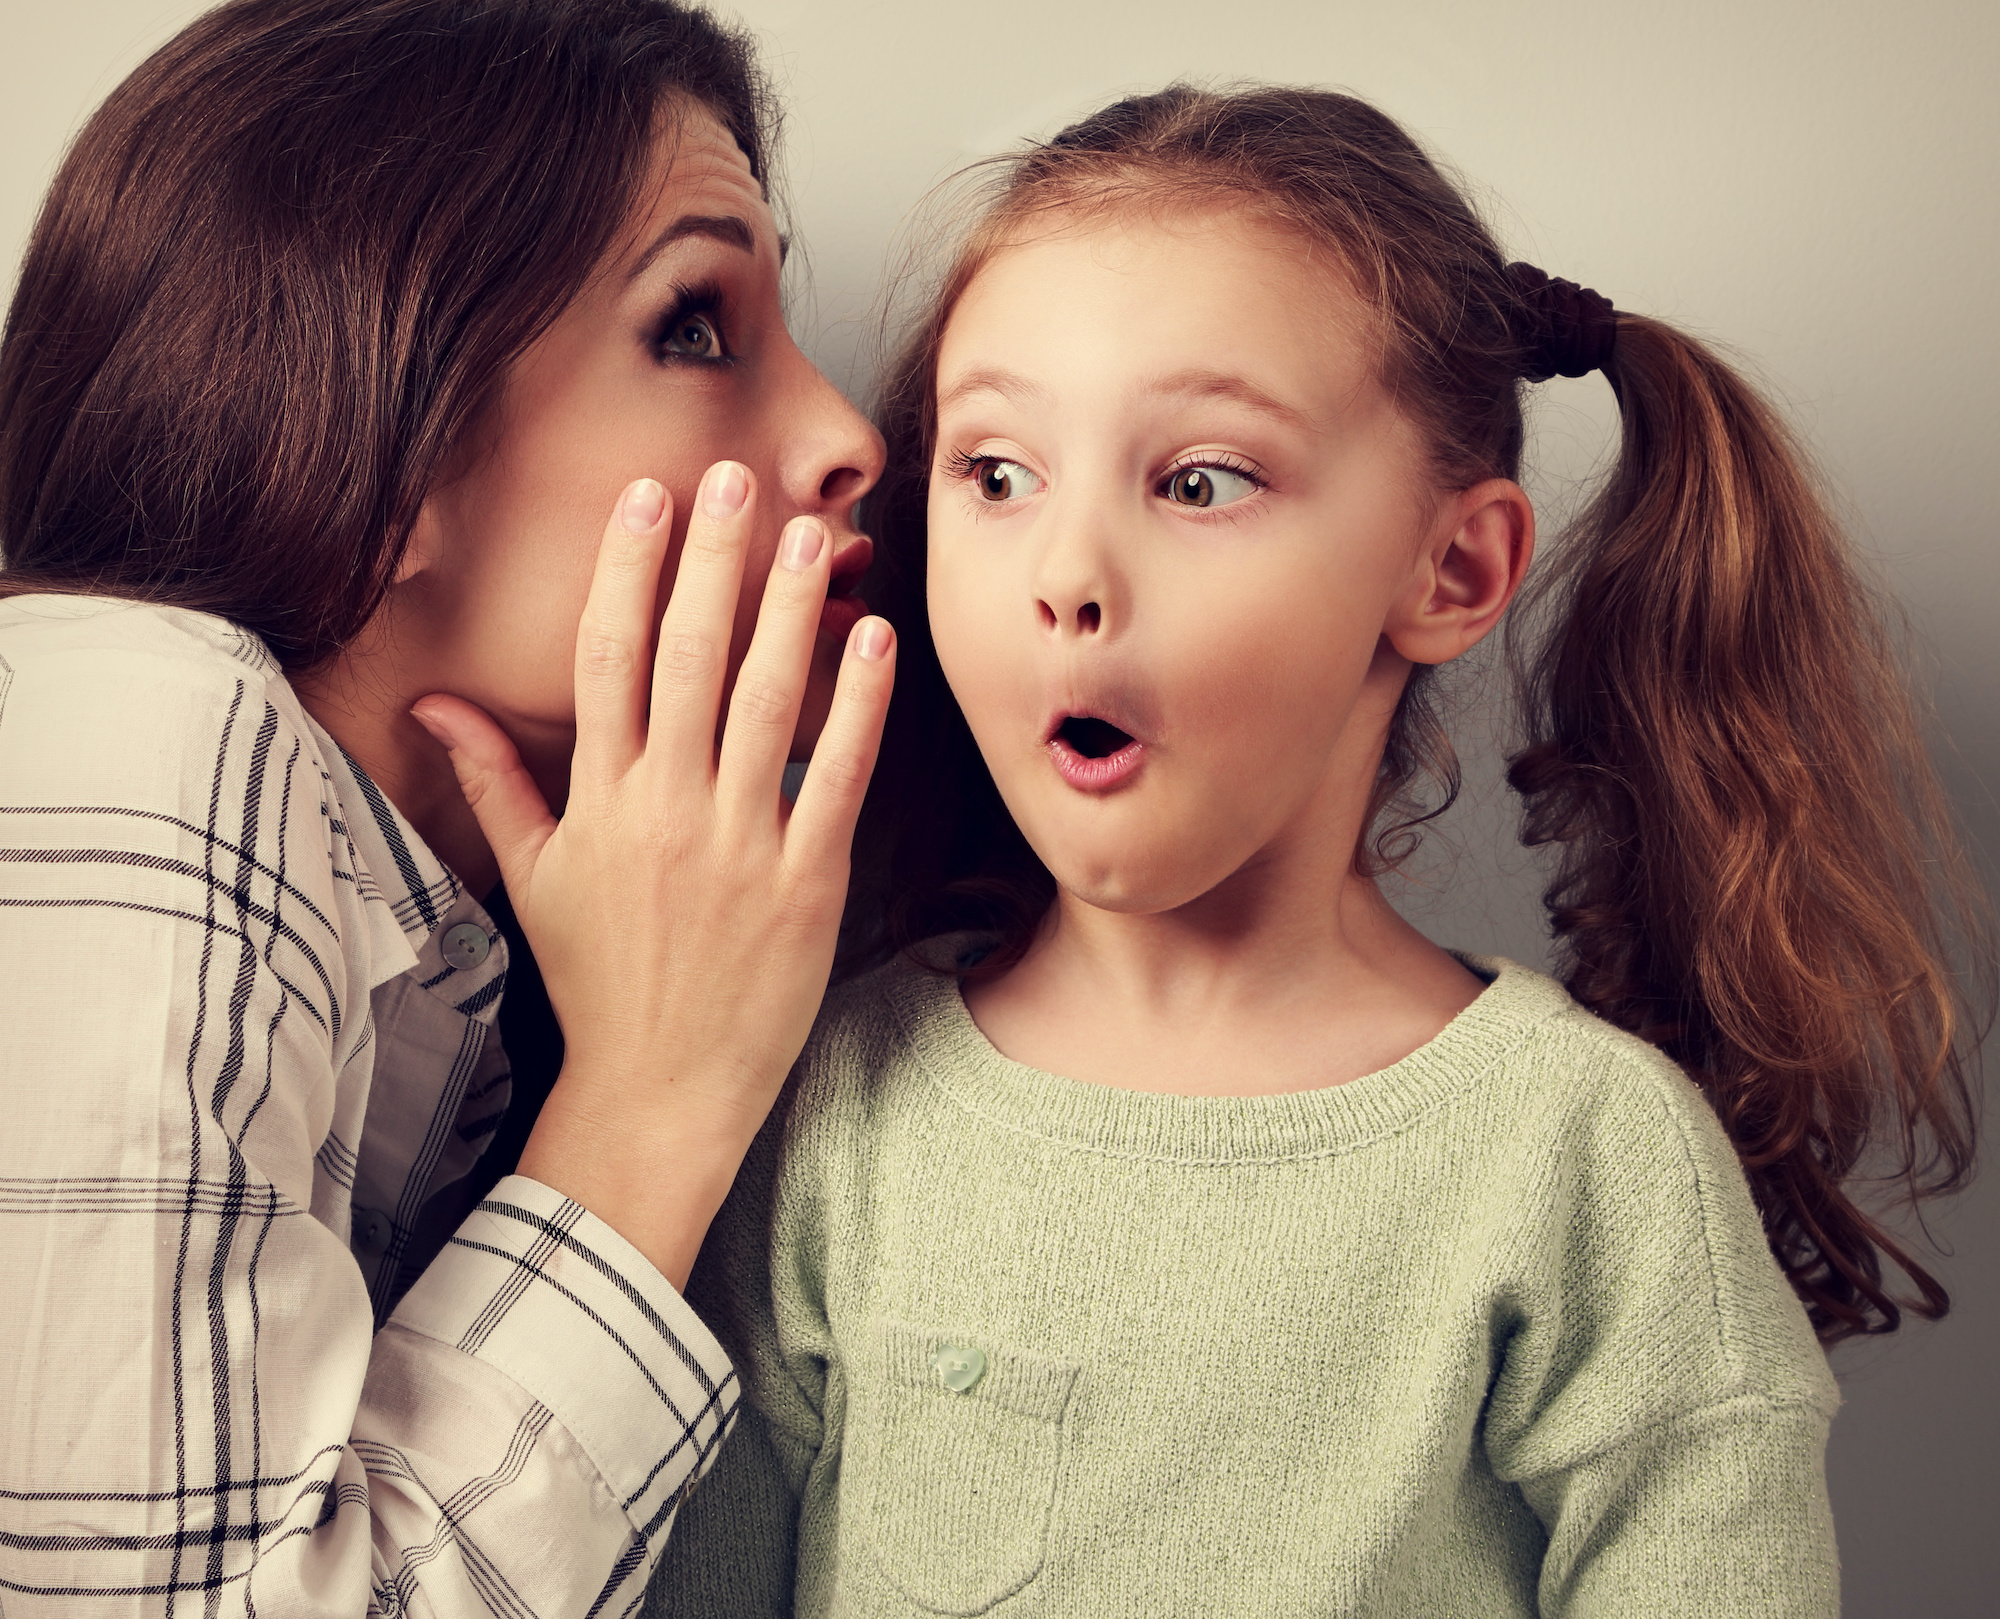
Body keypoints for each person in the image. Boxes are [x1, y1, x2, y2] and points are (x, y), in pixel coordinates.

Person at [644, 85, 1990, 1616]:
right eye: (997, 475)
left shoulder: (1586, 1164)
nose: (1067, 576)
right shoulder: (834, 1109)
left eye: (1200, 480)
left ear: (1453, 567)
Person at [0, 1, 898, 1614]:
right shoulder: (135, 709)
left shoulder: (442, 925)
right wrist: (651, 1103)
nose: (851, 441)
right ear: (355, 422)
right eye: (695, 325)